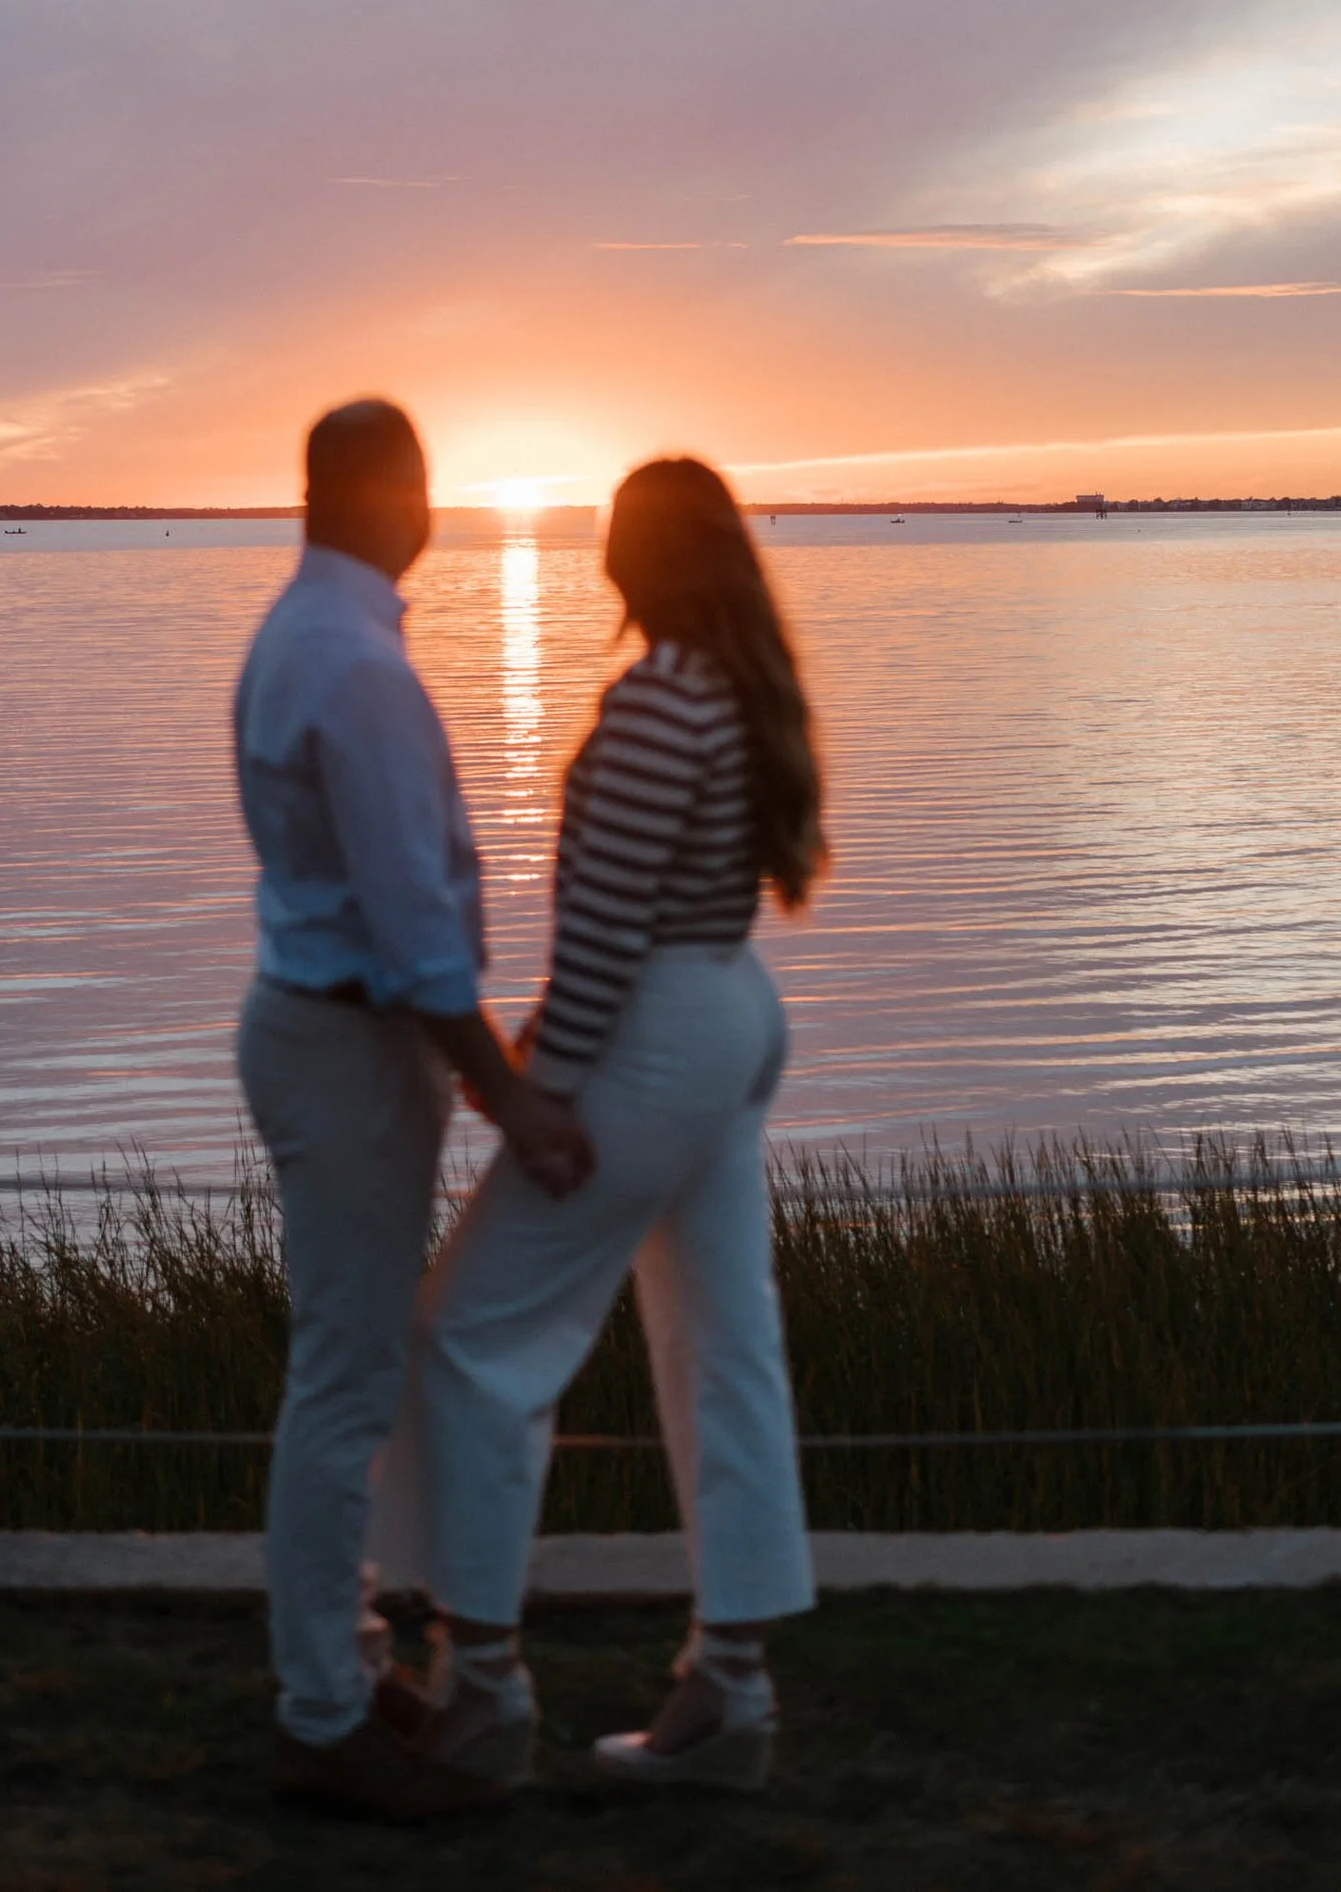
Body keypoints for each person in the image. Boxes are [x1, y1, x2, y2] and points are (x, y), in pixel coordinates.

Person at [374, 455, 825, 1793]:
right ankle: (730, 1689)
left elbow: (608, 934)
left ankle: (484, 1679)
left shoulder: (656, 705)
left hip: (657, 1038)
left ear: (625, 558)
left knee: (468, 1337)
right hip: (732, 1009)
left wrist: (540, 1086)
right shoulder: (741, 695)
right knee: (724, 1339)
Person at [233, 397, 595, 1823]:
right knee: (342, 1386)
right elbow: (409, 931)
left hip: (318, 1029)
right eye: (425, 484)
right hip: (347, 1046)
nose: (433, 508)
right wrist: (508, 1093)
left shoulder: (299, 631)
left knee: (350, 1371)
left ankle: (345, 1664)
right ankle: (323, 1715)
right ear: (395, 496)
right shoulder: (354, 662)